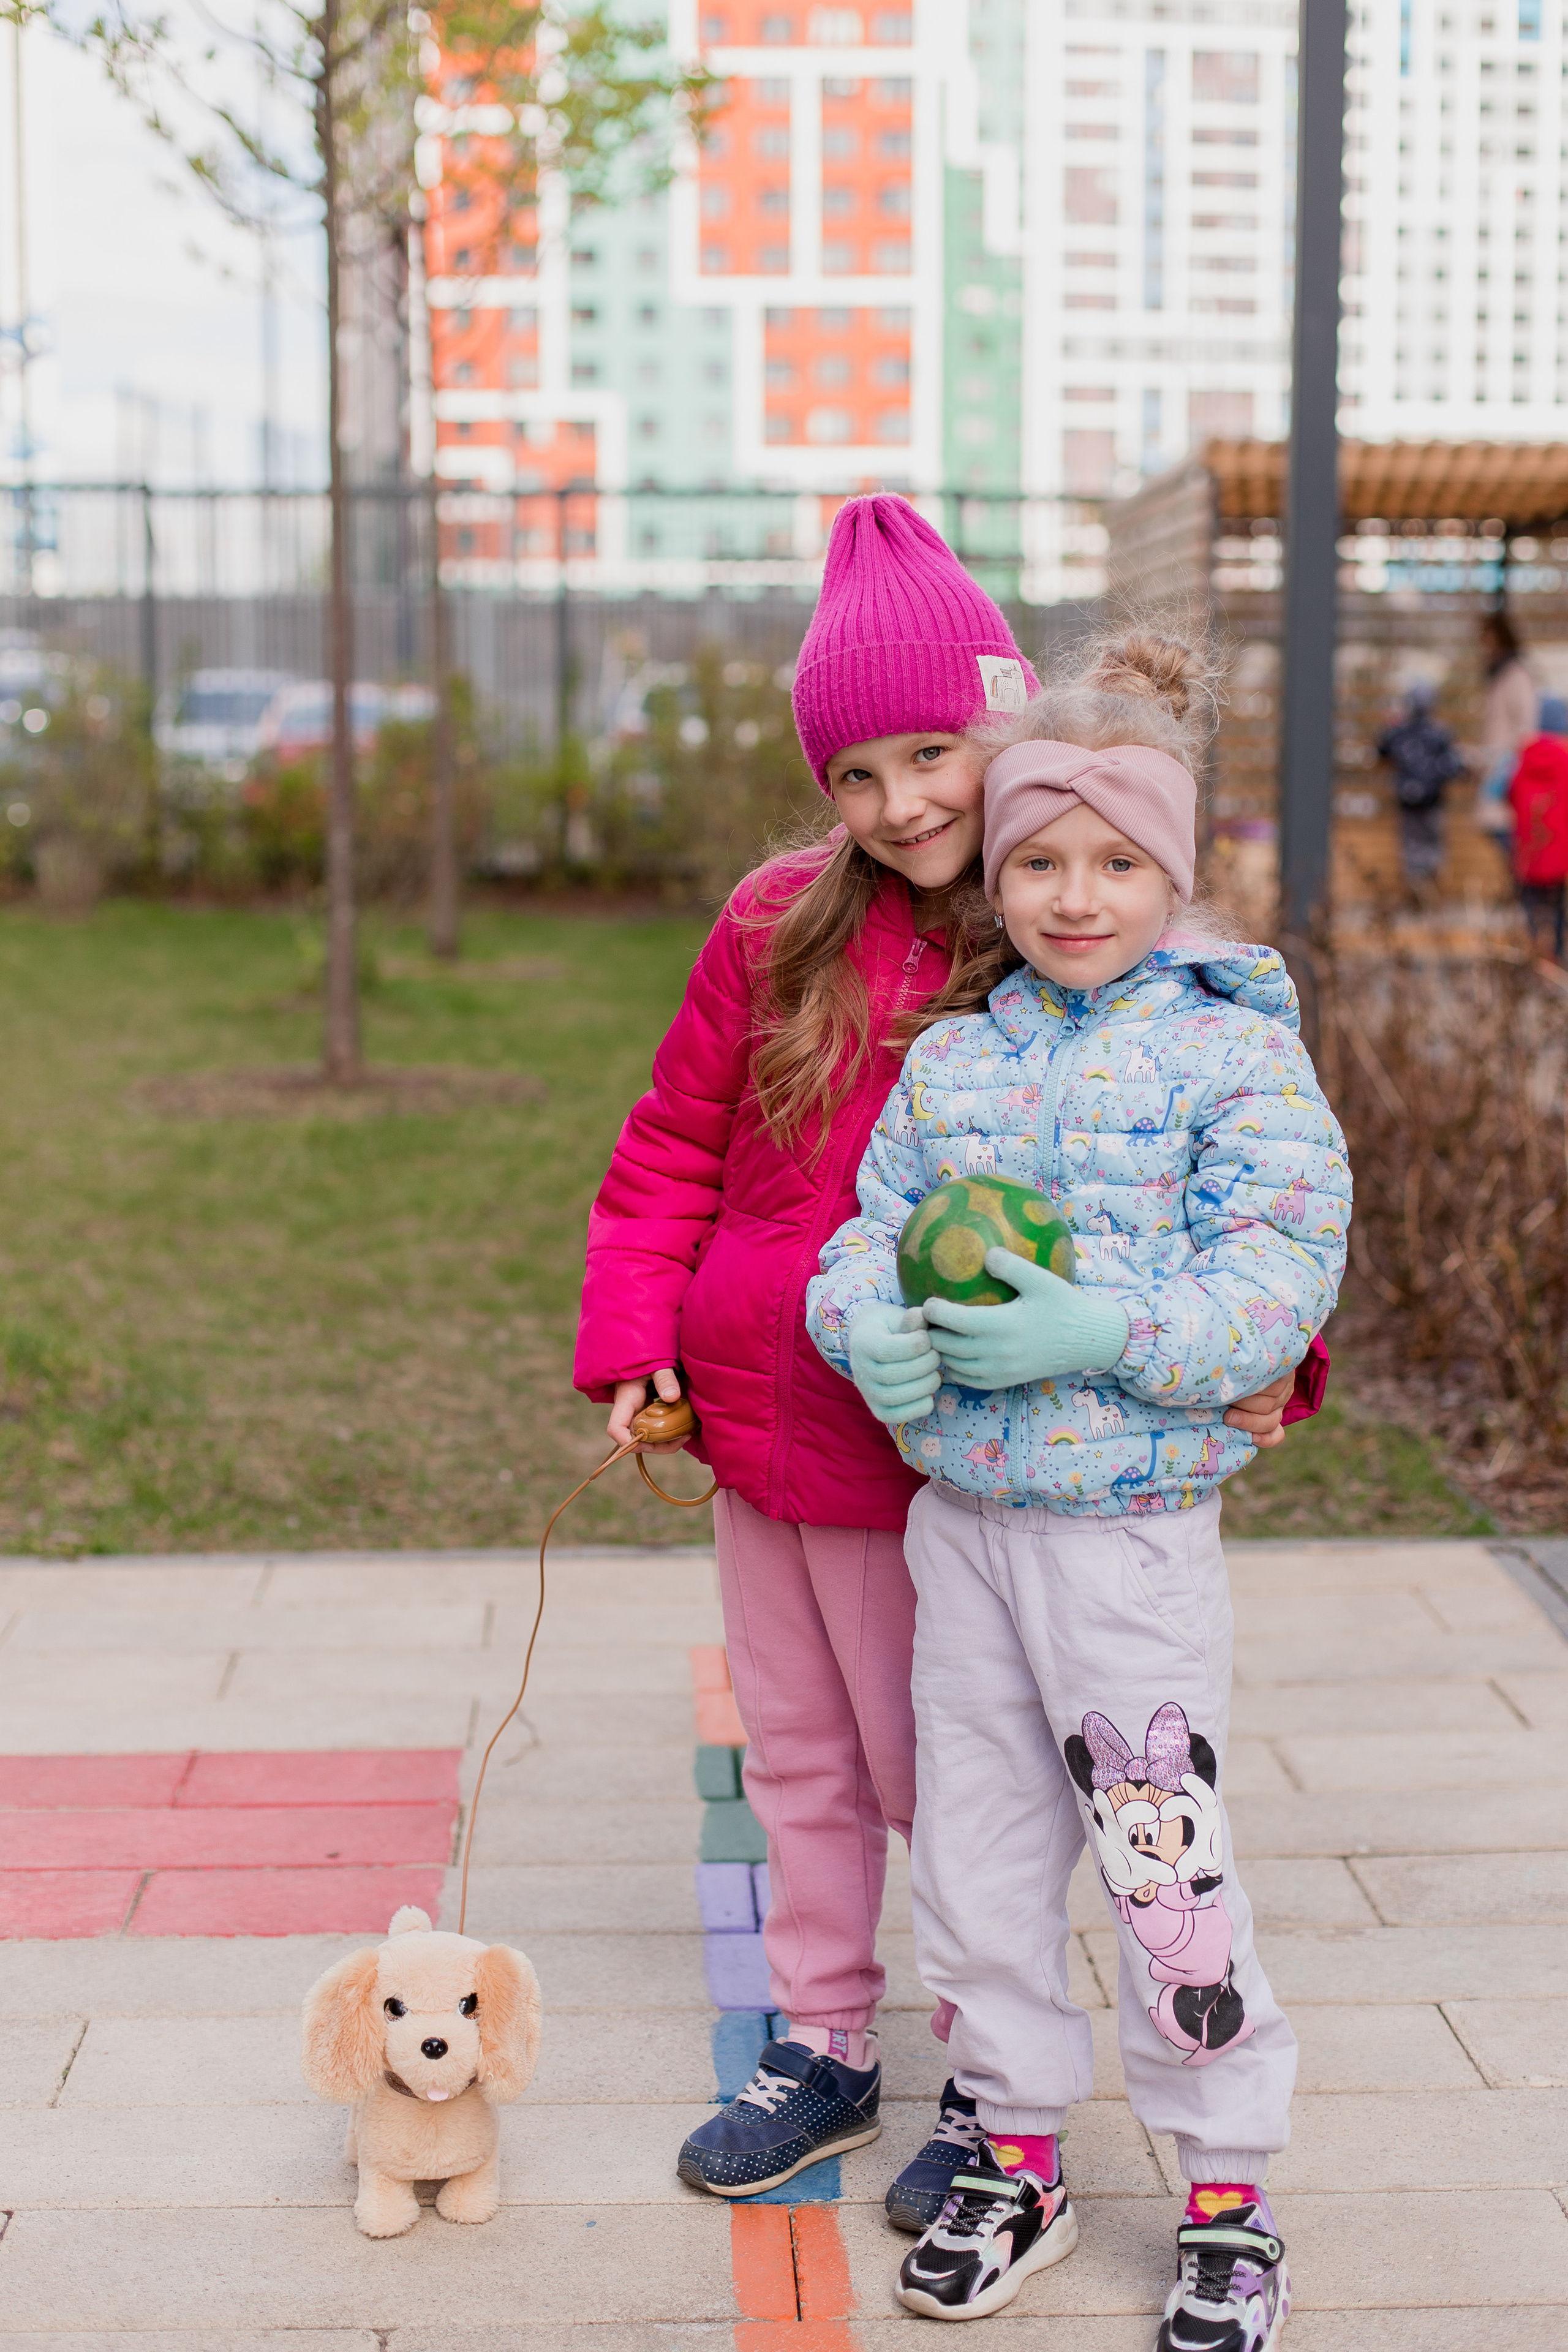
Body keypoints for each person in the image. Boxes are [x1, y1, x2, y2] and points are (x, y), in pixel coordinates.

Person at [573, 498, 1325, 2215]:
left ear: (1005, 723)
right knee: (801, 1761)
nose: (907, 800)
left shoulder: (1071, 926)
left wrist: (1276, 1363)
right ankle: (824, 2038)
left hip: (942, 1458)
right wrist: (638, 1337)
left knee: (964, 1790)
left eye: (937, 751)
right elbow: (675, 1146)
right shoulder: (779, 923)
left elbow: (1228, 1178)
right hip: (764, 1423)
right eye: (859, 772)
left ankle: (1002, 2093)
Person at [808, 629, 1349, 2348]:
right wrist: (869, 1332)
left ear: (1172, 867)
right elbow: (860, 1240)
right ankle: (1016, 2157)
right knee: (970, 1871)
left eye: (1116, 860)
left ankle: (1227, 2192)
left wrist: (1108, 1324)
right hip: (963, 1530)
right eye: (1037, 857)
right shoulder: (957, 1059)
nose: (1072, 893)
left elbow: (1278, 1280)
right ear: (1000, 871)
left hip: (1125, 1545)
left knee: (1160, 1866)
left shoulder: (1236, 1054)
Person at [1376, 679, 1464, 899]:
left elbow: (1382, 750)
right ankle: (1425, 896)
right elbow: (1455, 766)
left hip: (1416, 799)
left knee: (1416, 849)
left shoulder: (1405, 732)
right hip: (1426, 800)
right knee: (1427, 847)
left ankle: (1424, 895)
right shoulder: (1437, 732)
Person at [1508, 693, 1568, 964]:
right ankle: (1556, 958)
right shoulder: (1565, 761)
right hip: (1560, 857)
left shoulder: (1522, 759)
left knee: (1534, 909)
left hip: (1529, 853)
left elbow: (1508, 794)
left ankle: (1538, 959)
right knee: (1558, 910)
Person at [1473, 612, 1537, 863]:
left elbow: (1526, 725)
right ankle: (1522, 883)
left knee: (1505, 827)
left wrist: (1511, 762)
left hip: (1509, 764)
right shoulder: (1499, 675)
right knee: (1495, 824)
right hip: (1496, 761)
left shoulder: (1517, 675)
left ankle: (1526, 885)